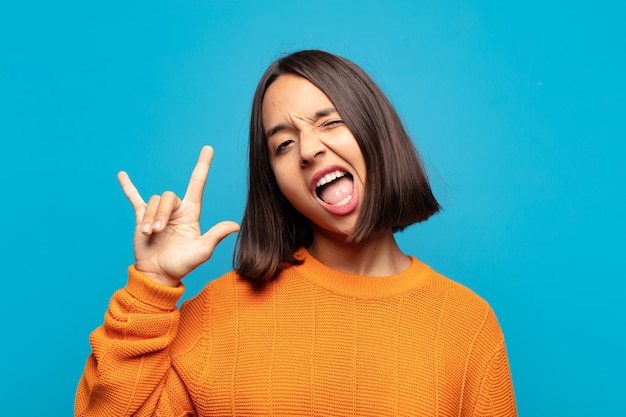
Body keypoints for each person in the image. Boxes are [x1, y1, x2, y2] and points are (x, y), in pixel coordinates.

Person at [75, 50, 517, 416]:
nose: (308, 149)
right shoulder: (220, 314)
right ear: (277, 184)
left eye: (329, 122)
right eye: (283, 144)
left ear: (376, 133)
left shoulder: (466, 324)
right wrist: (153, 285)